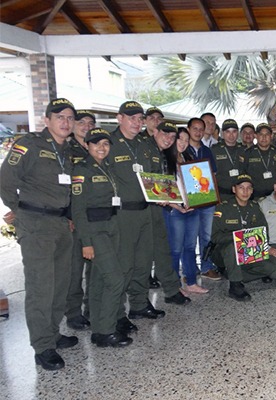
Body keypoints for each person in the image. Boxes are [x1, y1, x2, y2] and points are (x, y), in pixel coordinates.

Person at [0, 98, 77, 370]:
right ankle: (43, 346)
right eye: (60, 117)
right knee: (41, 286)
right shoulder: (29, 144)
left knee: (60, 284)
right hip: (36, 225)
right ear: (47, 120)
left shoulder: (68, 150)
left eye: (70, 118)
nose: (65, 122)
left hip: (60, 224)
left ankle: (53, 333)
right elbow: (5, 181)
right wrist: (20, 212)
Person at [70, 128, 133, 348]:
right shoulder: (82, 169)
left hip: (111, 227)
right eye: (96, 143)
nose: (101, 147)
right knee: (115, 279)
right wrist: (86, 242)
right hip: (94, 230)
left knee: (98, 280)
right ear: (87, 145)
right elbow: (77, 209)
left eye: (105, 143)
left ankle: (98, 329)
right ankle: (107, 330)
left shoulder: (107, 166)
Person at [108, 101, 164, 332]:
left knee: (143, 262)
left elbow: (155, 176)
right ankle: (117, 313)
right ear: (120, 118)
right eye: (132, 118)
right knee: (123, 266)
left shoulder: (144, 144)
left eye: (140, 118)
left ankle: (139, 305)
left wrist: (166, 195)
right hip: (122, 214)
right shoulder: (108, 143)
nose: (137, 122)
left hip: (145, 211)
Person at [210, 174, 276, 301]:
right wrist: (237, 237)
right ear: (234, 189)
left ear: (252, 191)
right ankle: (235, 286)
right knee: (233, 247)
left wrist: (267, 248)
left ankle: (234, 273)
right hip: (225, 252)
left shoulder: (255, 208)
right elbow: (215, 237)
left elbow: (263, 232)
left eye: (249, 188)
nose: (245, 191)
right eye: (241, 187)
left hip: (250, 250)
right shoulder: (223, 208)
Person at [144, 121, 193, 305]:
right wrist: (174, 204)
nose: (170, 139)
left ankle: (173, 289)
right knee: (165, 251)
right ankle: (165, 290)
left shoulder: (179, 157)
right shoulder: (154, 153)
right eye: (168, 135)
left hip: (168, 208)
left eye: (173, 137)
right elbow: (154, 184)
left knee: (170, 250)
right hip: (157, 209)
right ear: (155, 132)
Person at [163, 129, 209, 294]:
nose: (182, 143)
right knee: (175, 249)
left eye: (186, 140)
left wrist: (196, 201)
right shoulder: (164, 160)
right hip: (174, 210)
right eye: (179, 139)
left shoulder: (189, 159)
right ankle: (175, 285)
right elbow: (162, 190)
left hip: (192, 209)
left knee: (190, 247)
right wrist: (176, 206)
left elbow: (197, 185)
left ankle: (191, 282)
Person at [64, 109, 95, 331]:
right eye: (81, 122)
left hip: (97, 217)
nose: (86, 126)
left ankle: (92, 307)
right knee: (75, 270)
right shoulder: (66, 150)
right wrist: (69, 214)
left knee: (95, 267)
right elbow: (63, 186)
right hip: (74, 218)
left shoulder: (99, 147)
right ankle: (73, 313)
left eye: (90, 123)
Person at [186, 117, 221, 280]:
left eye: (201, 129)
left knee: (207, 236)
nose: (198, 132)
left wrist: (216, 198)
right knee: (190, 238)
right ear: (188, 130)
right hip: (190, 201)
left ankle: (206, 267)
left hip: (207, 200)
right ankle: (190, 270)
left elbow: (213, 174)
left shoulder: (207, 150)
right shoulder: (181, 149)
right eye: (195, 128)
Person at [240, 123, 276, 199]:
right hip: (254, 196)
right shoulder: (247, 153)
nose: (264, 138)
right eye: (261, 134)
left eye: (267, 134)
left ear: (271, 136)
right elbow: (242, 176)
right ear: (256, 136)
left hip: (274, 196)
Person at [211, 119, 246, 198]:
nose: (231, 135)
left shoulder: (243, 149)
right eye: (228, 132)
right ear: (222, 133)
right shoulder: (214, 150)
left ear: (238, 133)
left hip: (241, 194)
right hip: (221, 193)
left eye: (234, 131)